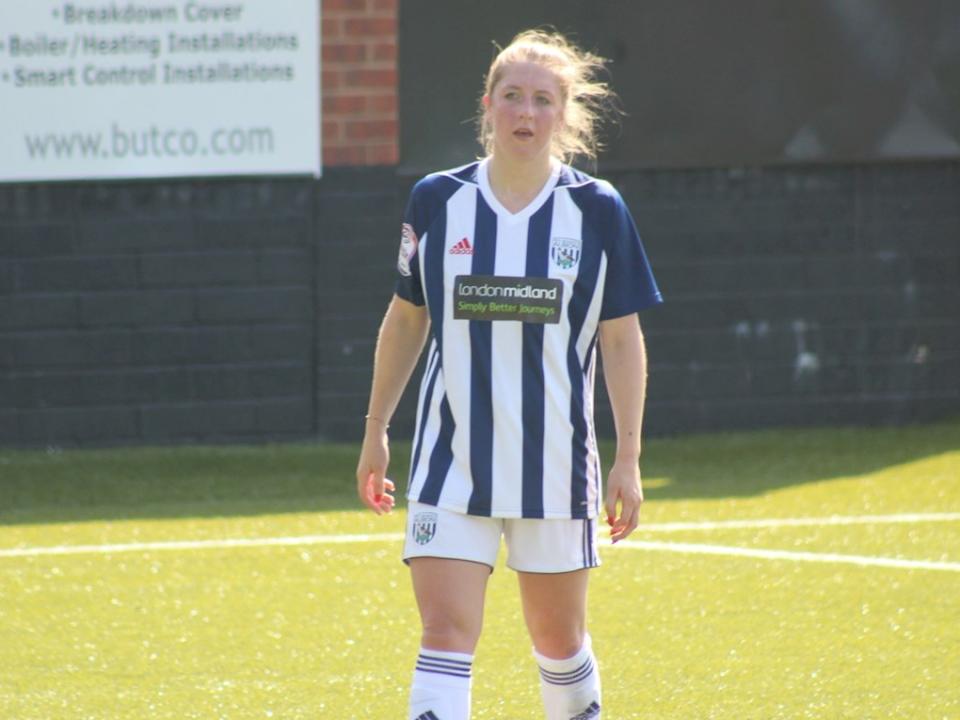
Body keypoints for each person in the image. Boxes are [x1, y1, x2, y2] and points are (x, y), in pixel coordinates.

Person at [355, 29, 662, 720]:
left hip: (555, 466)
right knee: (445, 633)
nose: (527, 112)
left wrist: (629, 458)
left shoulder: (597, 210)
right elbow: (406, 319)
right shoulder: (437, 201)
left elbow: (621, 339)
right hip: (450, 462)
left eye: (543, 100)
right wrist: (376, 430)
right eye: (513, 96)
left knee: (559, 640)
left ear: (564, 113)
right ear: (488, 104)